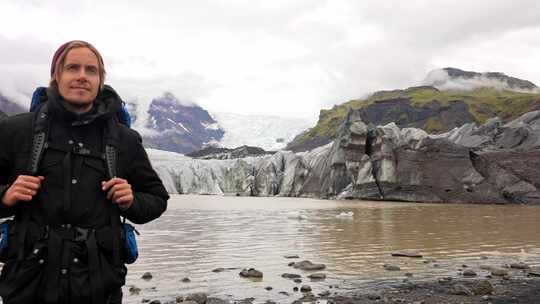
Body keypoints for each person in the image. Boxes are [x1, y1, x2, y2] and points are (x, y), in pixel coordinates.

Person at [0, 40, 169, 303]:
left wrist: (132, 201)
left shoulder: (124, 141)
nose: (81, 76)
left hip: (97, 287)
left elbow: (158, 198)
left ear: (101, 80)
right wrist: (5, 196)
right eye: (72, 68)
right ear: (56, 75)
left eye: (91, 70)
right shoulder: (16, 131)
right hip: (29, 286)